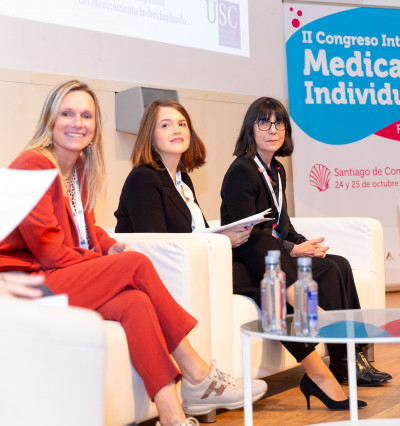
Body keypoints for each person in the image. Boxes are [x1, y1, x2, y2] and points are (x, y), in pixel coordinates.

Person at [0, 80, 266, 426]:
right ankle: (197, 371)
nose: (77, 123)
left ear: (96, 127)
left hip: (55, 276)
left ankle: (172, 417)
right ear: (50, 120)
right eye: (67, 114)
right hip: (25, 285)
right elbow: (51, 251)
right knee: (135, 264)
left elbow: (84, 228)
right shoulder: (33, 165)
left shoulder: (78, 167)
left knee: (135, 303)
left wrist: (108, 245)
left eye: (86, 115)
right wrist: (109, 263)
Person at [115, 98, 386, 411]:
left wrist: (223, 239)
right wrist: (223, 241)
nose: (176, 130)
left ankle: (319, 372)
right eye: (165, 125)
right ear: (150, 135)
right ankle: (307, 309)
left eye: (182, 124)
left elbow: (197, 235)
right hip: (173, 276)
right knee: (262, 245)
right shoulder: (144, 179)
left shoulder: (183, 181)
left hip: (206, 267)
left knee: (271, 285)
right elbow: (162, 247)